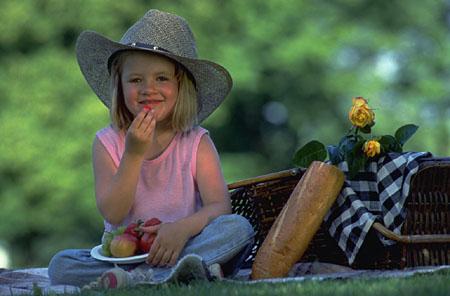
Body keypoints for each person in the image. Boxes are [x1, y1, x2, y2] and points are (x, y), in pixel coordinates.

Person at [48, 9, 254, 288]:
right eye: (136, 80)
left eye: (162, 78)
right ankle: (166, 278)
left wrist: (180, 229)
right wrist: (133, 153)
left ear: (181, 87)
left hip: (182, 248)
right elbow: (113, 213)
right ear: (119, 87)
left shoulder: (196, 141)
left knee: (238, 228)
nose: (148, 89)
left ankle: (148, 279)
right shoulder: (106, 142)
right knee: (61, 264)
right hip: (125, 257)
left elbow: (220, 206)